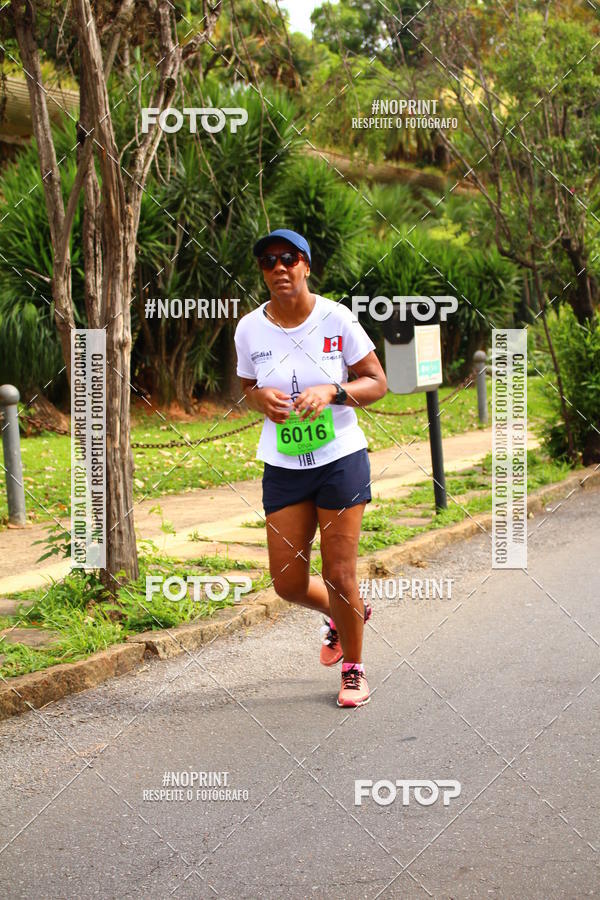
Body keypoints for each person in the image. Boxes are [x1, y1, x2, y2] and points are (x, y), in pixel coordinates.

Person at [234, 229, 387, 707]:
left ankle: (354, 671)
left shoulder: (335, 318)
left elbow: (377, 383)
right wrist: (262, 399)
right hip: (283, 465)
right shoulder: (249, 328)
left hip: (339, 459)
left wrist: (332, 392)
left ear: (305, 265)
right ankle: (348, 615)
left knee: (339, 573)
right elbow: (246, 385)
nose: (278, 268)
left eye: (288, 259)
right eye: (267, 261)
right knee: (288, 584)